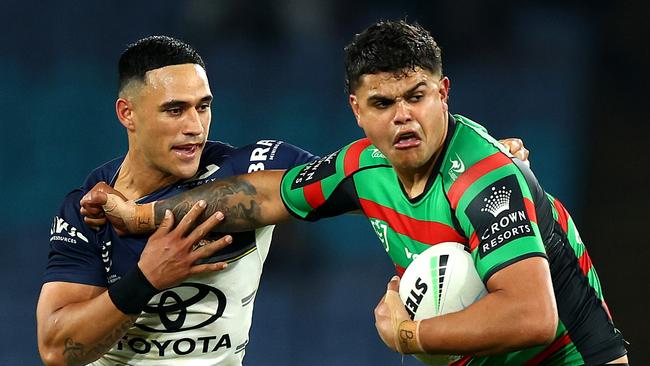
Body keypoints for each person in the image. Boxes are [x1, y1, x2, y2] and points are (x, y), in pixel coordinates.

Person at [88, 20, 630, 365]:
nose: (403, 117)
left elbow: (532, 316)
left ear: (443, 93)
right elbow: (262, 195)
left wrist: (409, 336)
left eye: (416, 96)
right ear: (356, 109)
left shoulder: (485, 178)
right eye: (382, 103)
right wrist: (138, 215)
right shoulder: (363, 167)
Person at [36, 35, 318, 366]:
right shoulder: (89, 209)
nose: (195, 127)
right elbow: (56, 350)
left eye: (203, 106)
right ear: (128, 114)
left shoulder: (247, 167)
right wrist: (146, 280)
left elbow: (347, 182)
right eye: (175, 110)